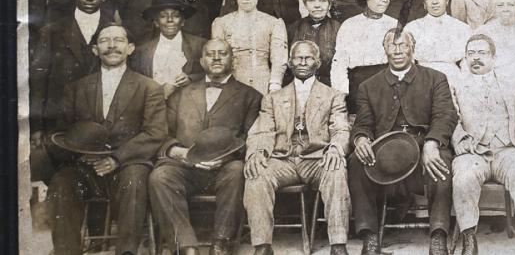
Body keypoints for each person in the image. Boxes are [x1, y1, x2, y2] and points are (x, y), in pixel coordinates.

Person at [46, 23, 167, 255]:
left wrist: (116, 159)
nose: (112, 46)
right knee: (61, 183)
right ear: (94, 50)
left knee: (135, 179)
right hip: (86, 169)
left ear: (131, 48)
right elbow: (62, 132)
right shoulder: (76, 88)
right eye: (104, 40)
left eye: (119, 40)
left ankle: (126, 251)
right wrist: (80, 153)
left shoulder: (148, 87)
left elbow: (155, 133)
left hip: (127, 166)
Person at [348, 28, 457, 255]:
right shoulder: (368, 86)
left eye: (403, 45)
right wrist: (361, 140)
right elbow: (363, 124)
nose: (397, 51)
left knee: (442, 163)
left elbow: (445, 115)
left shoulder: (435, 79)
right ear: (384, 50)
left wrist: (432, 143)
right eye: (392, 45)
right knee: (356, 162)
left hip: (423, 147)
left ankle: (438, 235)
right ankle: (369, 235)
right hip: (384, 152)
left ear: (412, 49)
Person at [149, 39, 262, 255]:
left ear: (233, 59)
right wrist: (177, 152)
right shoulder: (181, 94)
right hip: (185, 166)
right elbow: (161, 132)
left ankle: (221, 243)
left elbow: (252, 137)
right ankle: (186, 246)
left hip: (224, 167)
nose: (217, 58)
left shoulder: (251, 96)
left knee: (238, 171)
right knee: (159, 176)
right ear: (201, 61)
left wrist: (227, 157)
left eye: (223, 53)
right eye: (211, 54)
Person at [244, 40, 351, 255]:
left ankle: (338, 245)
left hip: (317, 159)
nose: (303, 61)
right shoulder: (273, 98)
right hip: (283, 160)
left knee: (337, 169)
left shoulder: (333, 96)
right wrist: (258, 152)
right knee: (256, 173)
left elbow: (341, 129)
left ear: (318, 63)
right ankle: (262, 245)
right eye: (298, 57)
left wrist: (335, 149)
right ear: (290, 63)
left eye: (309, 57)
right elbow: (263, 131)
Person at [451, 34, 515, 255]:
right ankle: (469, 238)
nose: (476, 58)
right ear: (465, 58)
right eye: (471, 53)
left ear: (494, 57)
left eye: (482, 53)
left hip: (508, 148)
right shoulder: (456, 84)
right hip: (474, 152)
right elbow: (448, 117)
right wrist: (460, 139)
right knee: (463, 176)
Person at [30, 0, 113, 143]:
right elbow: (38, 80)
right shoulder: (52, 31)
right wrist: (37, 126)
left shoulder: (114, 31)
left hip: (100, 121)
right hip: (59, 120)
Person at [212, 0, 288, 95]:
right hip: (232, 85)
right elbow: (218, 58)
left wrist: (274, 86)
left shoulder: (274, 23)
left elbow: (279, 59)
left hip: (263, 85)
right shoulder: (221, 23)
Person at [331, 0, 398, 114]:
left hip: (388, 83)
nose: (385, 0)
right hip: (359, 86)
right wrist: (341, 94)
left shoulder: (394, 24)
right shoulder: (349, 25)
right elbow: (339, 63)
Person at [129, 0, 206, 99]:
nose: (170, 20)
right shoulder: (142, 51)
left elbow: (212, 73)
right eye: (163, 16)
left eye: (175, 15)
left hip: (187, 104)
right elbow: (136, 82)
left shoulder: (199, 45)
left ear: (183, 21)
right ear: (156, 22)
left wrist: (190, 78)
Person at [404, 0, 471, 85]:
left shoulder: (461, 28)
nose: (434, 1)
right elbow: (408, 60)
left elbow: (467, 62)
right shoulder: (413, 28)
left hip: (453, 78)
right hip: (422, 78)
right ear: (424, 4)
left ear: (447, 1)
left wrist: (464, 83)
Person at [286, 0, 342, 86]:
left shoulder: (339, 29)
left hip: (331, 85)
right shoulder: (294, 28)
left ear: (329, 5)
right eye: (311, 0)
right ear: (305, 4)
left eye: (323, 0)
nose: (317, 5)